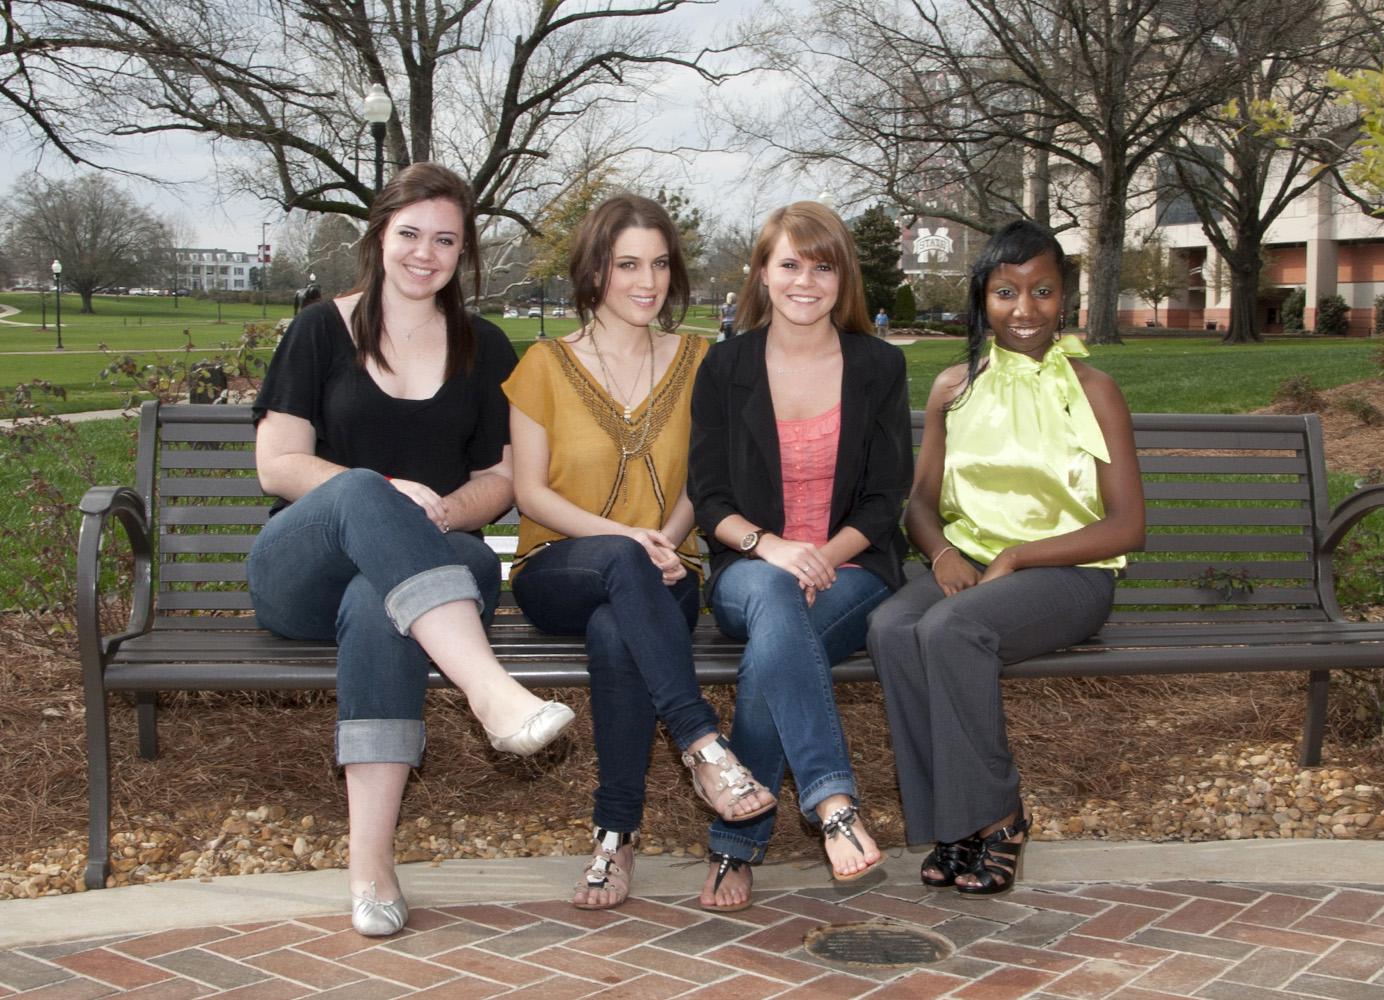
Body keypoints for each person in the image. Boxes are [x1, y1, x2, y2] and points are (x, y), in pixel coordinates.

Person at [247, 163, 575, 937]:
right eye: (410, 234)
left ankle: (371, 866)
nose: (424, 253)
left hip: (431, 564)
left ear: (464, 254)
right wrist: (389, 490)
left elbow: (502, 478)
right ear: (379, 236)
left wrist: (444, 509)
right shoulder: (320, 329)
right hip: (305, 569)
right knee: (364, 488)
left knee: (381, 601)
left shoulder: (485, 347)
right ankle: (490, 691)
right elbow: (279, 463)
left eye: (445, 240)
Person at [503, 194, 777, 911]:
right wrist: (630, 537)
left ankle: (614, 834)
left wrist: (663, 537)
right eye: (628, 264)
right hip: (559, 569)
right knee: (620, 569)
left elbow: (704, 482)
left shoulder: (698, 361)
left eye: (659, 264)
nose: (647, 281)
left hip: (666, 578)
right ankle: (702, 745)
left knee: (616, 627)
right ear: (595, 272)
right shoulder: (544, 364)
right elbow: (530, 493)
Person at [866, 220, 1145, 896]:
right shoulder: (952, 389)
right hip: (966, 566)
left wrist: (1018, 557)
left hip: (1068, 576)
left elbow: (1129, 526)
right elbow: (920, 506)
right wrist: (938, 556)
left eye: (1042, 291)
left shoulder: (1094, 390)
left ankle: (1000, 815)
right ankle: (953, 824)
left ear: (1065, 299)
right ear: (981, 300)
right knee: (892, 629)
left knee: (952, 629)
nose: (1025, 309)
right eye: (1006, 292)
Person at [688, 201, 913, 910]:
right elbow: (711, 495)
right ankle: (833, 804)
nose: (806, 281)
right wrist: (775, 548)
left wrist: (824, 556)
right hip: (749, 569)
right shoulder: (725, 366)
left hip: (851, 568)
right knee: (776, 602)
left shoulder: (877, 365)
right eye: (790, 264)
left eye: (823, 265)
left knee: (772, 654)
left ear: (842, 276)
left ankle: (738, 845)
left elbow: (885, 496)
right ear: (761, 273)